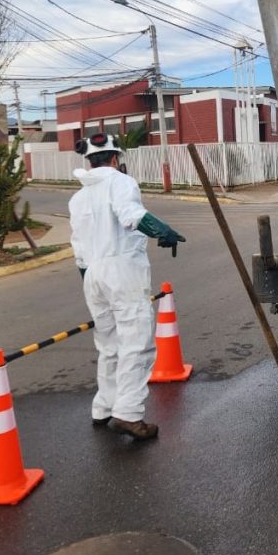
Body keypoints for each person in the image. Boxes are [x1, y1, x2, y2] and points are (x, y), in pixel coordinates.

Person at [68, 133, 185, 441]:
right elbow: (131, 215)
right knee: (137, 343)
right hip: (122, 271)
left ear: (89, 160)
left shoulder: (78, 198)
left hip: (92, 274)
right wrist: (163, 230)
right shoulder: (120, 182)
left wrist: (92, 284)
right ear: (115, 158)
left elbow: (78, 247)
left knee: (108, 344)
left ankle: (104, 407)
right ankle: (128, 414)